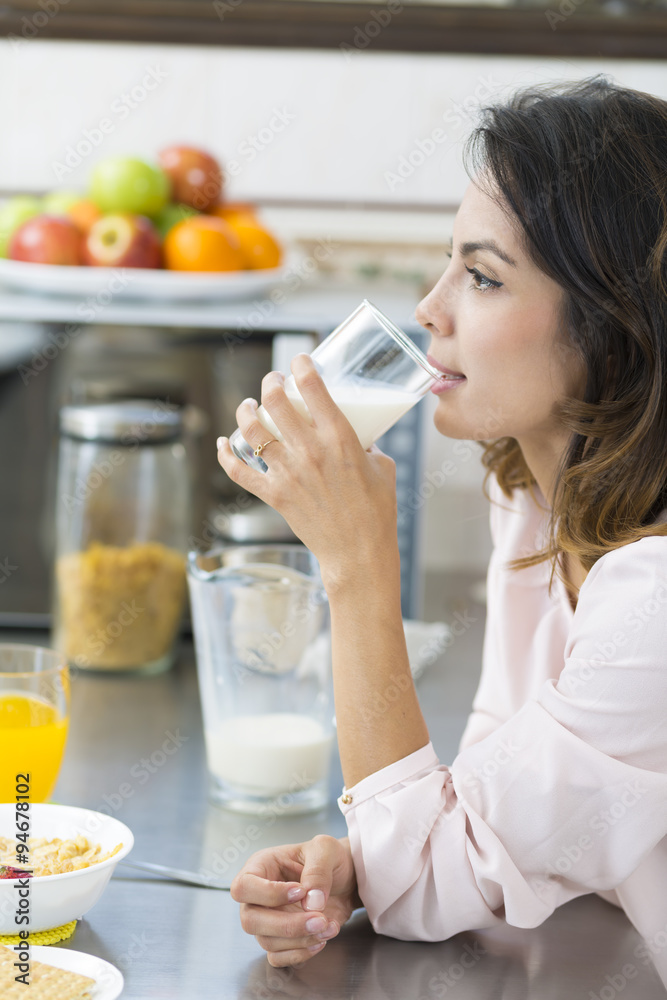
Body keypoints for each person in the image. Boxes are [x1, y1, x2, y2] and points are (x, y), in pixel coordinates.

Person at [216, 75, 667, 970]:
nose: (430, 308)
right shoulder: (537, 500)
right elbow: (496, 813)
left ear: (614, 329)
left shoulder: (654, 603)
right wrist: (361, 864)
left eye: (481, 277)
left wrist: (354, 569)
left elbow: (428, 879)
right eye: (447, 264)